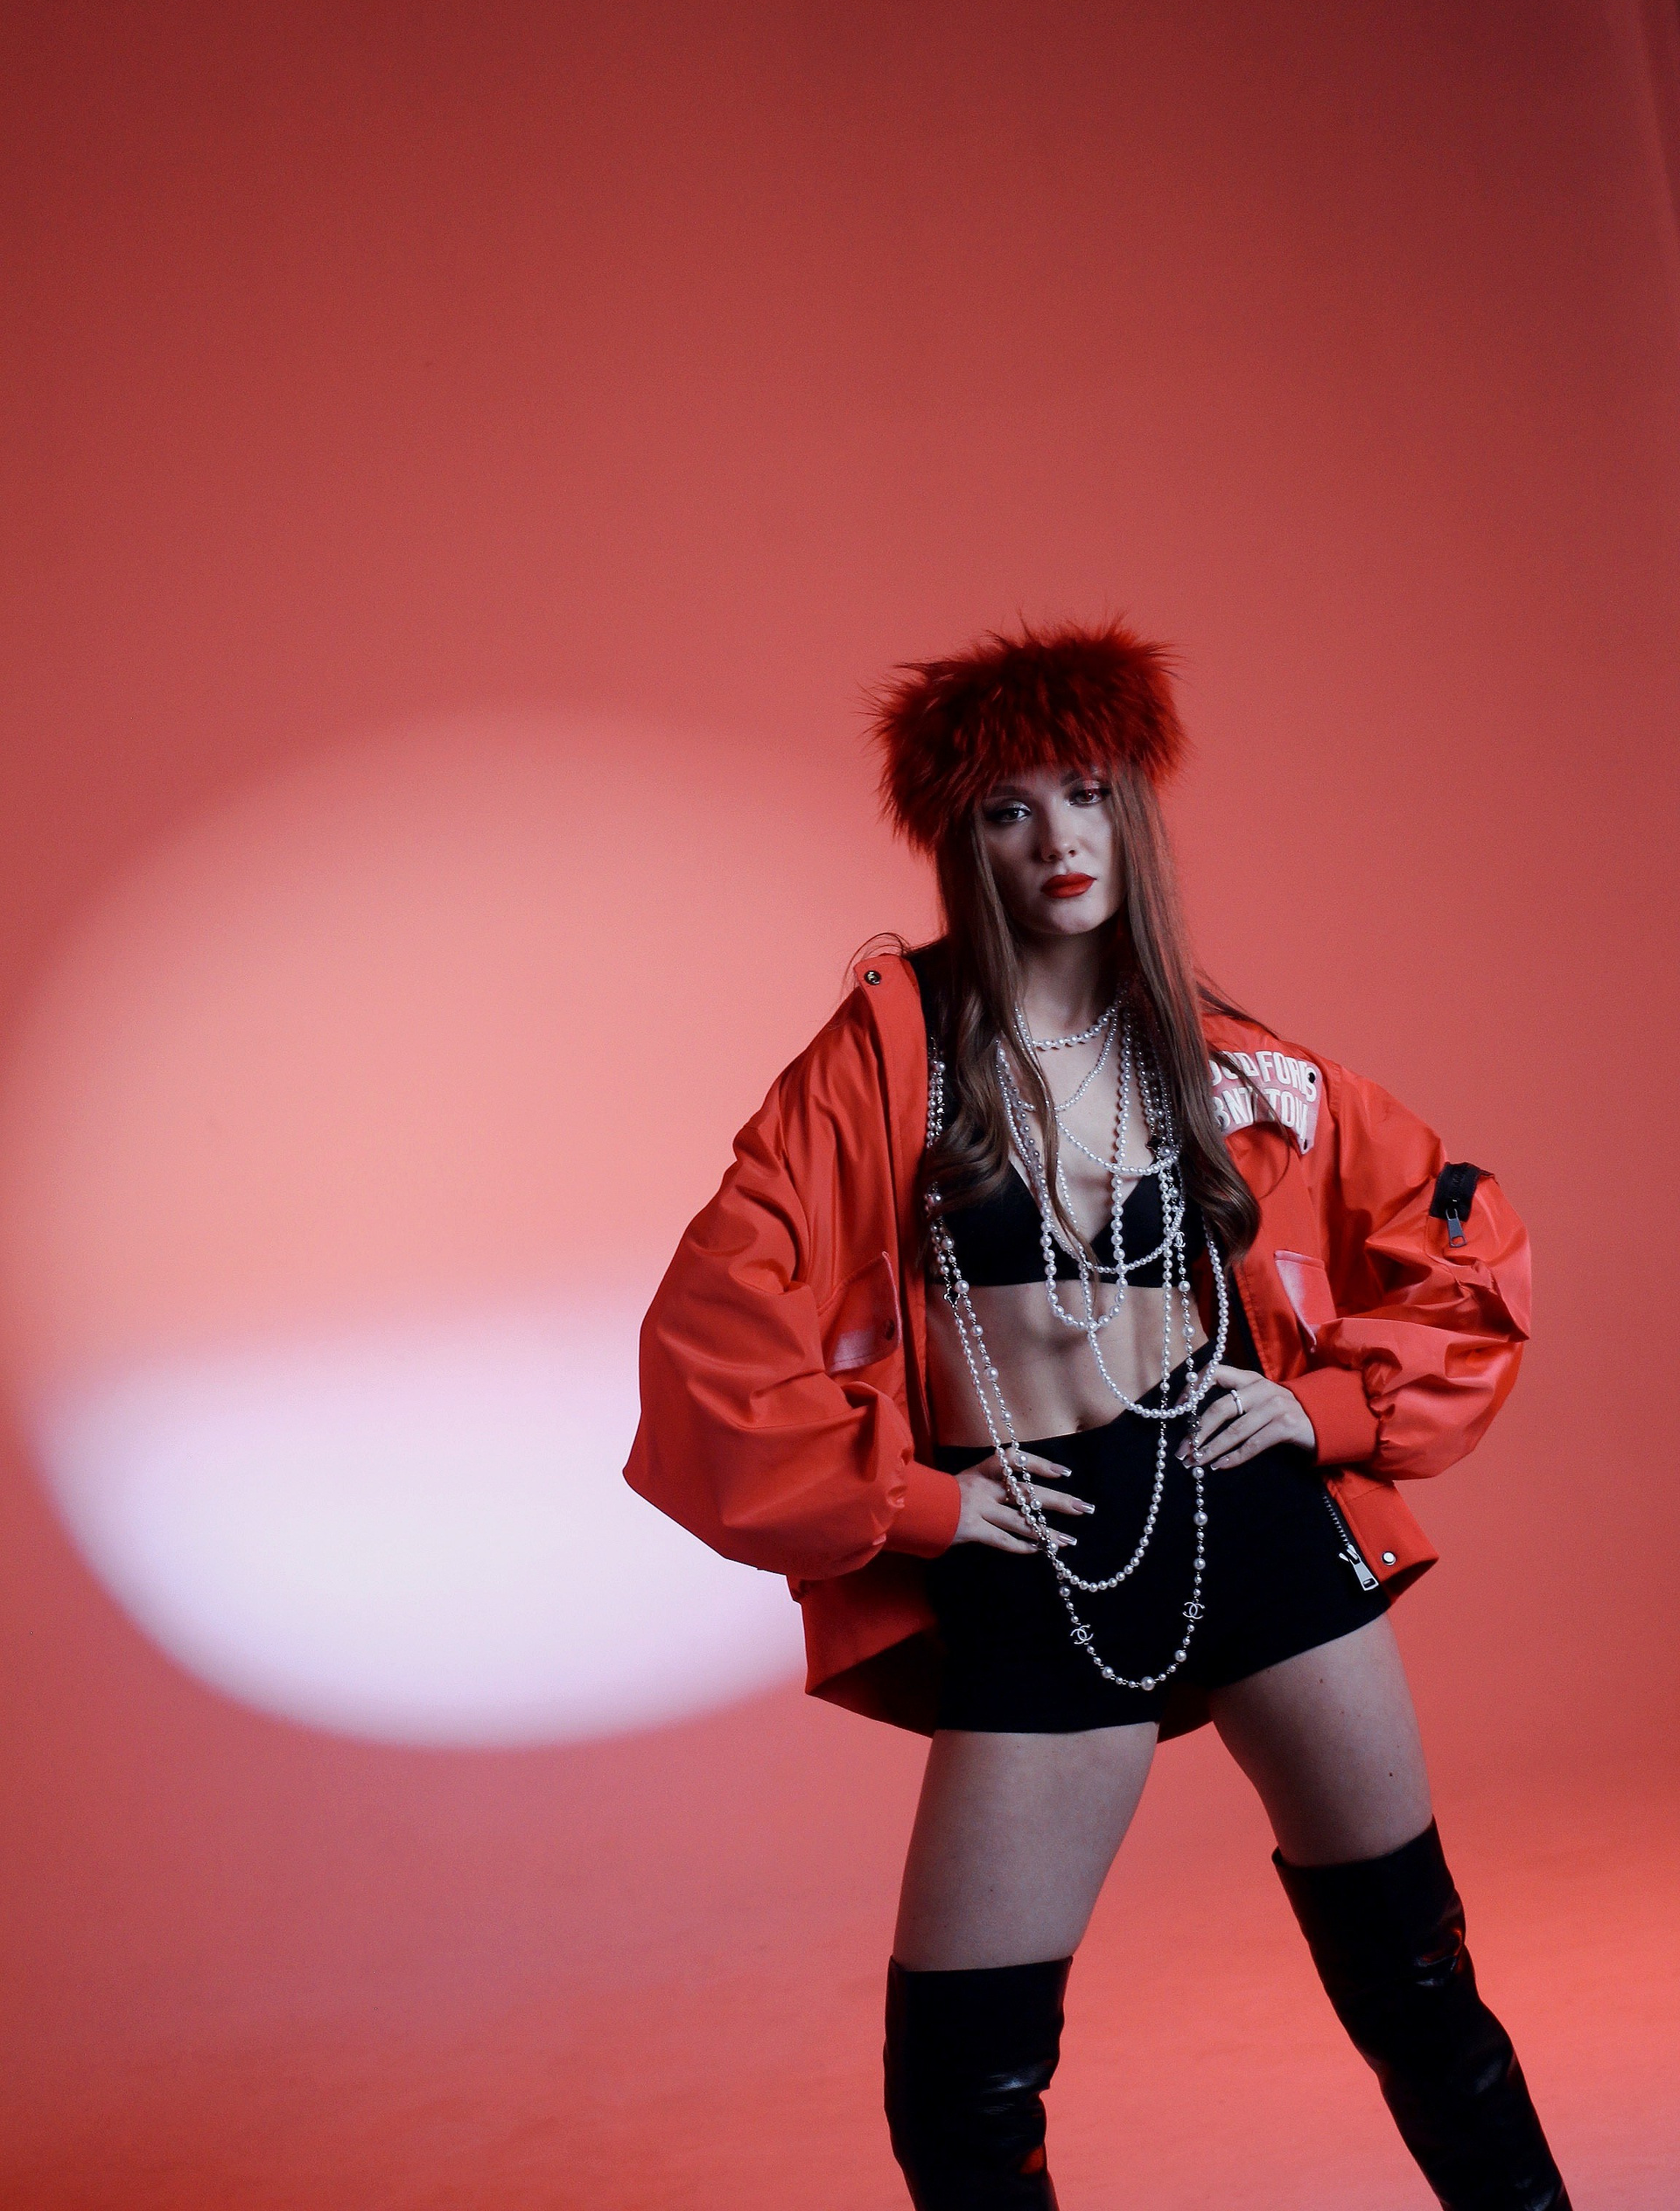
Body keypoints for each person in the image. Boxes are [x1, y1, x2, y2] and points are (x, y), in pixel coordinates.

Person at [625, 622, 1570, 2209]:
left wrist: (1329, 1414)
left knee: (1422, 1997)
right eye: (1009, 808)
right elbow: (710, 1339)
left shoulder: (1228, 1061)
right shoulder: (886, 1065)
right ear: (960, 837)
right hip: (1042, 1555)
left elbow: (1465, 1239)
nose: (1057, 839)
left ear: (1134, 809)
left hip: (1254, 1522)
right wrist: (926, 1505)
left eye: (1087, 793)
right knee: (961, 2093)